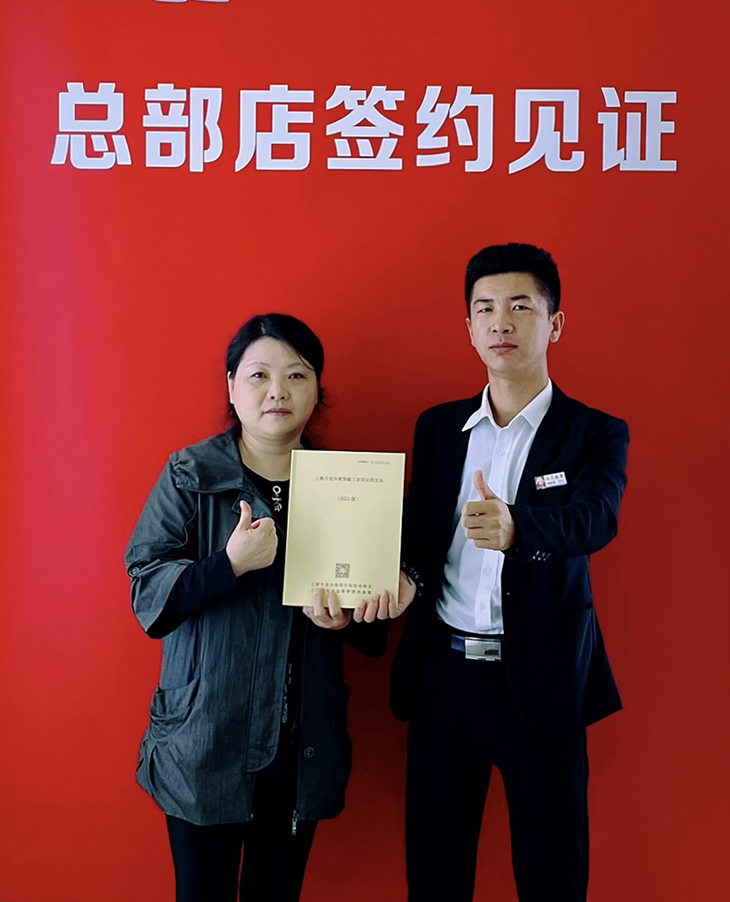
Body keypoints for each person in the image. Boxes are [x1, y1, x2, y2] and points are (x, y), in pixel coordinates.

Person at [125, 313, 413, 902]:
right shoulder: (189, 474)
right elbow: (147, 592)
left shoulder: (348, 486)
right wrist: (228, 564)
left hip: (301, 747)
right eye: (259, 375)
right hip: (204, 742)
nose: (277, 390)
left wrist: (354, 616)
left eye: (296, 375)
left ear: (317, 388)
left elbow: (369, 631)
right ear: (232, 385)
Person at [390, 244, 629, 902]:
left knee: (554, 880)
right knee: (434, 879)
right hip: (443, 678)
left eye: (521, 306)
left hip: (543, 679)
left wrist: (520, 527)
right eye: (485, 308)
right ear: (469, 327)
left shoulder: (594, 433)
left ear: (554, 323)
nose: (501, 322)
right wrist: (402, 578)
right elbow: (419, 537)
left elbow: (596, 518)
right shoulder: (439, 428)